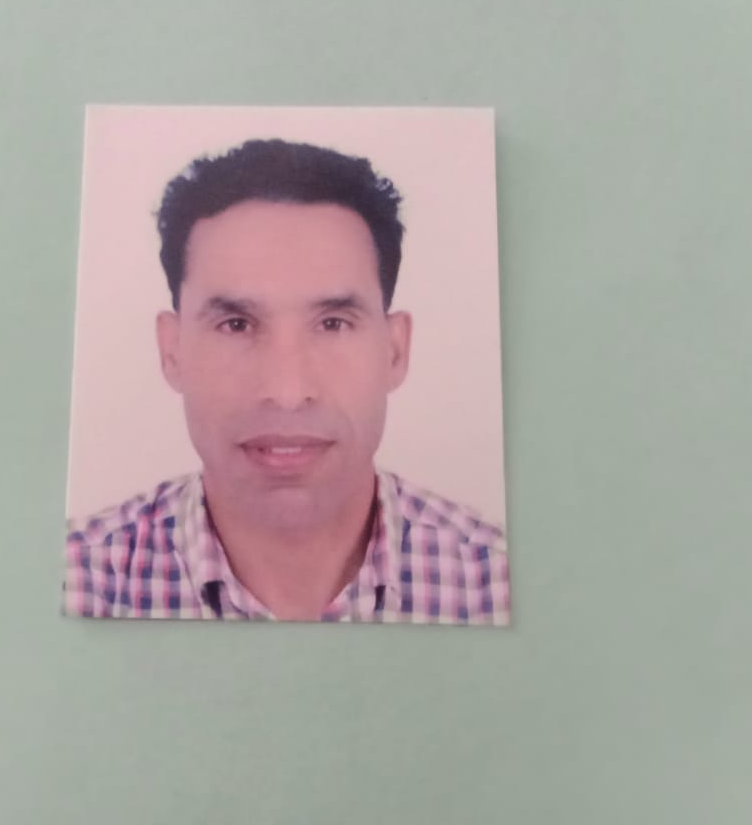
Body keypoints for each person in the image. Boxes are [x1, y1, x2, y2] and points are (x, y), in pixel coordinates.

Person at [63, 138, 509, 624]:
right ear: (172, 351)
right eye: (236, 325)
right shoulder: (77, 580)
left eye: (333, 324)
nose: (287, 393)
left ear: (395, 350)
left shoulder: (495, 583)